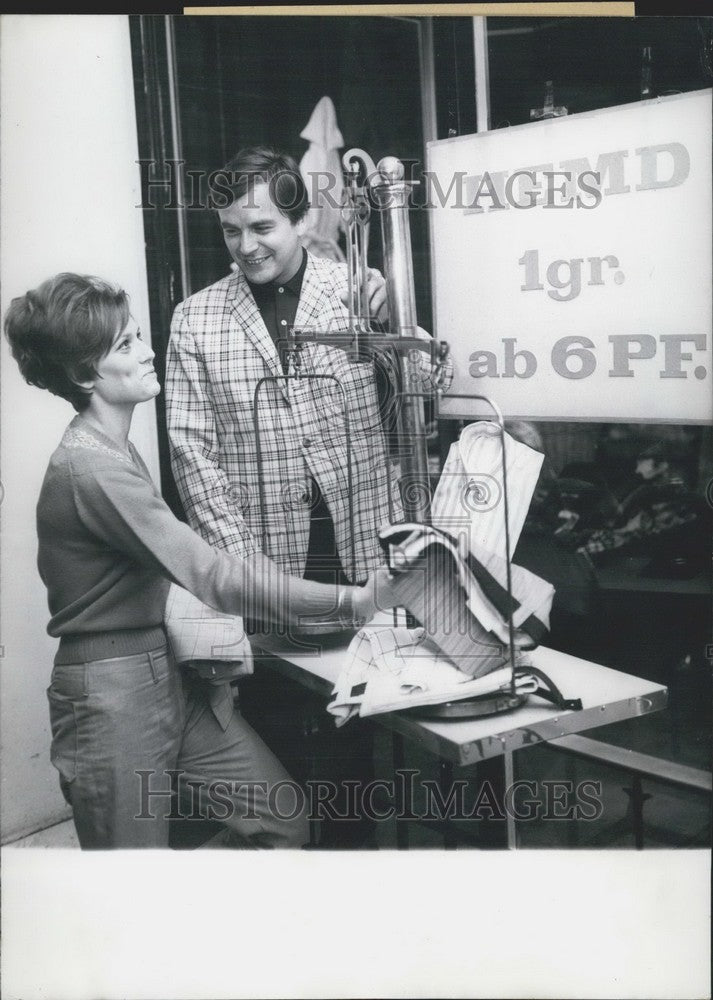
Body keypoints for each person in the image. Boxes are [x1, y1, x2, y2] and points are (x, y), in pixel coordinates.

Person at [4, 272, 395, 850]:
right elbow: (214, 575)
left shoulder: (113, 447)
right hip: (112, 696)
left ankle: (190, 919)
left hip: (167, 679)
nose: (148, 350)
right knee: (127, 891)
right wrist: (353, 599)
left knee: (282, 818)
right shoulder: (91, 469)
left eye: (139, 336)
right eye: (127, 345)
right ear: (86, 374)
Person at [165, 145, 448, 847]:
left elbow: (428, 391)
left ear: (298, 222)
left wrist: (397, 324)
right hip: (267, 571)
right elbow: (191, 454)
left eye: (261, 227)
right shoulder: (195, 319)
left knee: (361, 747)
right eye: (231, 230)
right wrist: (244, 571)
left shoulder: (355, 291)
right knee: (282, 756)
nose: (246, 245)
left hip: (363, 558)